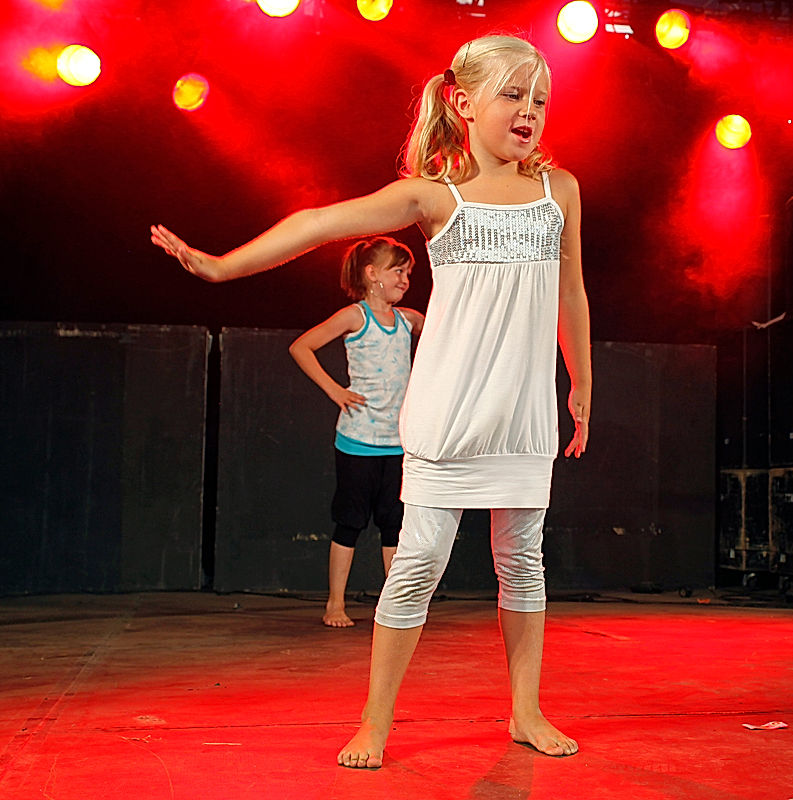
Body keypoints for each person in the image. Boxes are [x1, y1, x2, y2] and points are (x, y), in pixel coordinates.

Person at [151, 34, 590, 766]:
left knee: (524, 560)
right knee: (416, 563)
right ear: (463, 102)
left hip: (523, 410)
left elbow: (571, 290)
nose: (529, 112)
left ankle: (525, 711)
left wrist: (581, 382)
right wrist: (222, 268)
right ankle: (376, 721)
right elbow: (319, 221)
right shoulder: (433, 196)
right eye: (512, 95)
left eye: (540, 99)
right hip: (451, 410)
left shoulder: (559, 190)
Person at [289, 237, 425, 628]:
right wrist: (334, 390)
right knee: (350, 521)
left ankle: (395, 606)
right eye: (398, 271)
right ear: (372, 275)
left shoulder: (408, 320)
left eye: (408, 273)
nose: (405, 279)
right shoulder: (355, 316)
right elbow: (302, 347)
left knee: (394, 523)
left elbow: (447, 334)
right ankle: (335, 603)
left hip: (397, 444)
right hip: (358, 441)